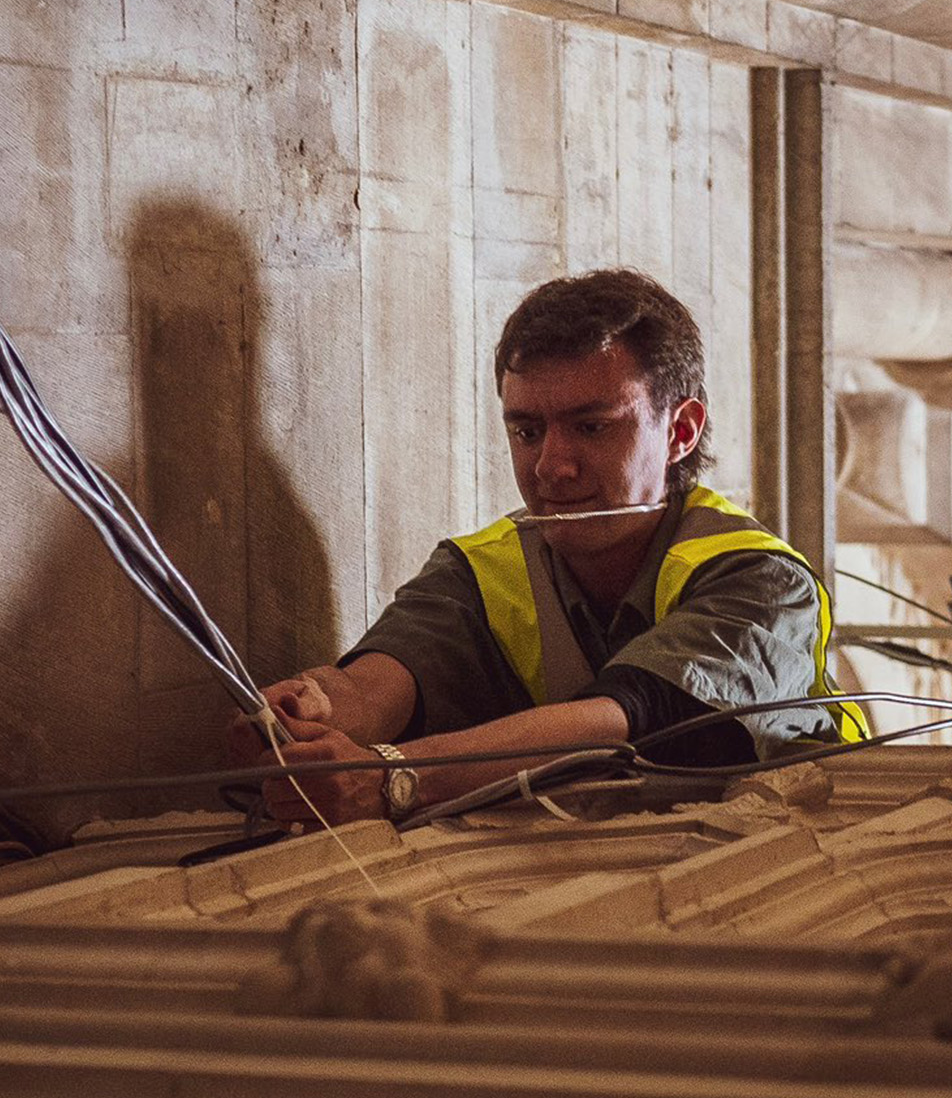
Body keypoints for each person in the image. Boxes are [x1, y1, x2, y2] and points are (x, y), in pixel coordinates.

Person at [227, 268, 865, 825]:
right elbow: (383, 682)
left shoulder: (761, 578)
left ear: (681, 431)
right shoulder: (485, 567)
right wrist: (319, 706)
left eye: (591, 427)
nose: (551, 467)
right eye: (528, 431)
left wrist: (393, 775)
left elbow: (630, 714)